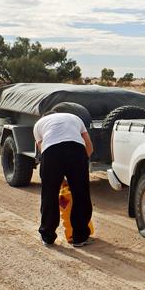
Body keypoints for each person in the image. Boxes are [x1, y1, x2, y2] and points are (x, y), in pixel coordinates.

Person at [33, 103, 94, 247]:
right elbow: (89, 147)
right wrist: (79, 166)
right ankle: (79, 238)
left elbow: (43, 150)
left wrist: (57, 175)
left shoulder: (39, 124)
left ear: (46, 117)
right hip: (77, 150)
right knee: (81, 194)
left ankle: (47, 237)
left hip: (52, 152)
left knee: (49, 194)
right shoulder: (74, 118)